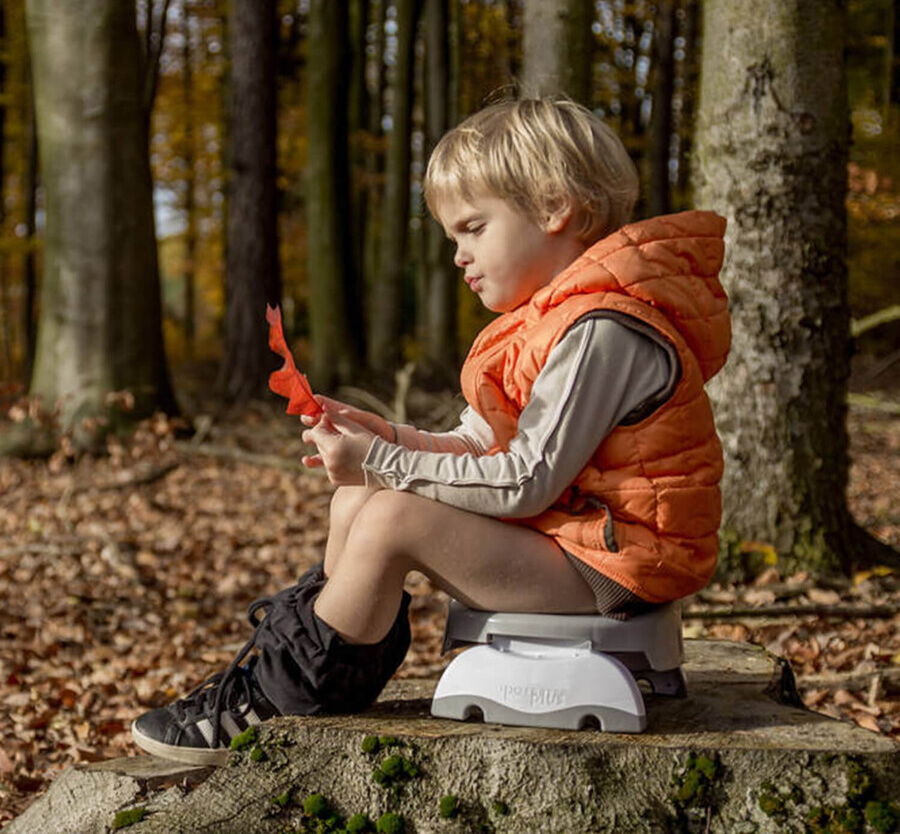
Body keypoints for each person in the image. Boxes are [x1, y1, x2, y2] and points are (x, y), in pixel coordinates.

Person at [131, 97, 730, 765]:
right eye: (453, 238)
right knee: (356, 500)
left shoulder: (603, 330)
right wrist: (382, 435)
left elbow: (526, 480)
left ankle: (280, 700)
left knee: (390, 517)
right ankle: (317, 665)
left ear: (556, 206)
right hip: (580, 539)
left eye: (473, 228)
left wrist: (384, 461)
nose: (459, 256)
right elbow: (479, 446)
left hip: (621, 563)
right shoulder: (546, 323)